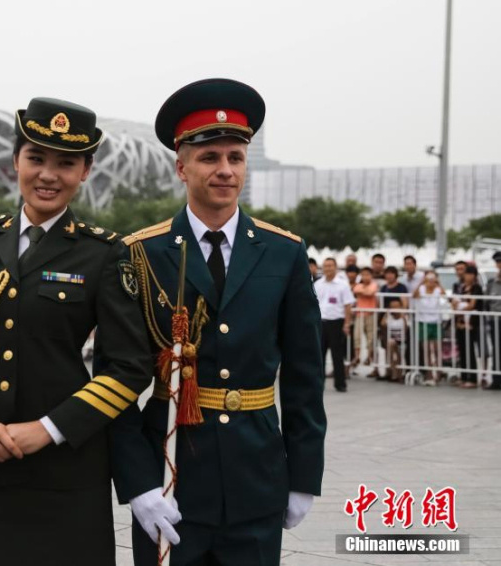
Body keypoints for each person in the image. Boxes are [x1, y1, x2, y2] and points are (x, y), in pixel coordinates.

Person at [106, 79, 326, 566]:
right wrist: (139, 483)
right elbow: (117, 381)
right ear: (181, 166)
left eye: (235, 157)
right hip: (172, 477)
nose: (225, 170)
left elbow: (306, 374)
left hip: (258, 477)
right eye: (209, 158)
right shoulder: (140, 254)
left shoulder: (284, 252)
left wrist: (304, 476)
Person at [0, 97, 152, 566]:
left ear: (85, 171)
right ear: (15, 161)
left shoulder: (103, 254)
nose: (49, 175)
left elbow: (130, 368)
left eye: (66, 163)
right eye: (36, 159)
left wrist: (48, 430)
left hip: (69, 465)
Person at [316, 258, 355, 391]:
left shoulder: (342, 285)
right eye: (326, 266)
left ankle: (340, 384)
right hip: (321, 323)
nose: (328, 268)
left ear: (336, 267)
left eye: (331, 266)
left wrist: (347, 324)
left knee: (337, 355)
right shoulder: (318, 284)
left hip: (336, 322)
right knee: (319, 355)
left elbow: (348, 305)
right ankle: (318, 384)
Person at [453, 265, 483, 388]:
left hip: (471, 323)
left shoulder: (477, 288)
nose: (468, 276)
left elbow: (472, 304)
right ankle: (464, 376)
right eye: (466, 273)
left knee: (470, 350)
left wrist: (462, 306)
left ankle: (473, 378)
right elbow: (454, 302)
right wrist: (459, 306)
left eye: (471, 274)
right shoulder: (460, 287)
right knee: (462, 350)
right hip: (460, 323)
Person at [414, 271, 446, 385]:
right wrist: (421, 283)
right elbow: (414, 295)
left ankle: (438, 372)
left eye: (432, 279)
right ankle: (428, 373)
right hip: (423, 322)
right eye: (428, 279)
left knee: (437, 349)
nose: (430, 282)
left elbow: (444, 296)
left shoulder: (438, 289)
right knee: (426, 349)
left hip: (436, 322)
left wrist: (439, 283)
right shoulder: (421, 289)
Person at [352, 267, 379, 376]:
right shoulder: (358, 285)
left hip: (370, 314)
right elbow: (356, 290)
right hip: (359, 314)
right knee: (357, 336)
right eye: (363, 275)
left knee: (370, 337)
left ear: (371, 276)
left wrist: (363, 291)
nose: (365, 277)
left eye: (367, 274)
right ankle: (357, 357)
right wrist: (364, 291)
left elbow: (370, 292)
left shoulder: (374, 284)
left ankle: (369, 357)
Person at [380, 297, 409, 382]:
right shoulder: (389, 317)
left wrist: (402, 314)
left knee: (393, 347)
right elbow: (382, 324)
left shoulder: (404, 317)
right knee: (391, 347)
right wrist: (387, 313)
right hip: (392, 340)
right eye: (393, 307)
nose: (395, 309)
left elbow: (406, 328)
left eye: (397, 306)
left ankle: (397, 372)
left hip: (401, 340)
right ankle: (394, 372)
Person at [484, 251, 501, 390]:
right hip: (495, 320)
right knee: (496, 349)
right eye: (498, 262)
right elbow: (486, 303)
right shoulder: (491, 282)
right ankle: (496, 380)